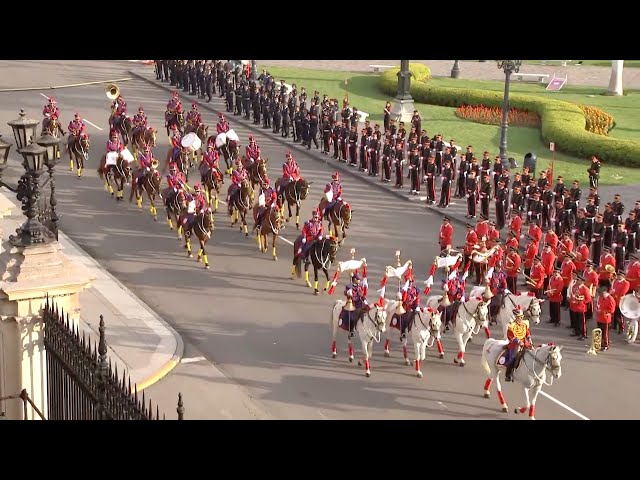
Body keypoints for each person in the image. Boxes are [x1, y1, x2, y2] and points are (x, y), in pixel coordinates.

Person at [504, 307, 533, 382]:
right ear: (516, 317)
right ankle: (508, 374)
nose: (520, 319)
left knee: (533, 352)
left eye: (521, 317)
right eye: (519, 317)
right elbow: (510, 336)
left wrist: (529, 338)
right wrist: (518, 341)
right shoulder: (512, 326)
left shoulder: (524, 324)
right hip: (515, 344)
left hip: (524, 343)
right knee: (512, 358)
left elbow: (527, 332)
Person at [341, 272, 369, 338]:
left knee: (366, 311)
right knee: (351, 316)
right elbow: (345, 293)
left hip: (359, 302)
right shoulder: (349, 286)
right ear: (354, 279)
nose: (359, 281)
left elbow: (361, 295)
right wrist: (348, 292)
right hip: (352, 302)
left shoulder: (359, 286)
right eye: (358, 279)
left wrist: (365, 300)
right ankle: (351, 330)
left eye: (359, 279)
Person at [596, 286, 616, 351]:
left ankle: (606, 345)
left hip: (605, 318)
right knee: (599, 332)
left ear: (605, 292)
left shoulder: (610, 299)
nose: (600, 295)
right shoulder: (601, 297)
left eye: (601, 294)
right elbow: (599, 305)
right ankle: (600, 343)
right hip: (600, 317)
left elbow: (612, 310)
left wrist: (602, 311)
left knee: (605, 333)